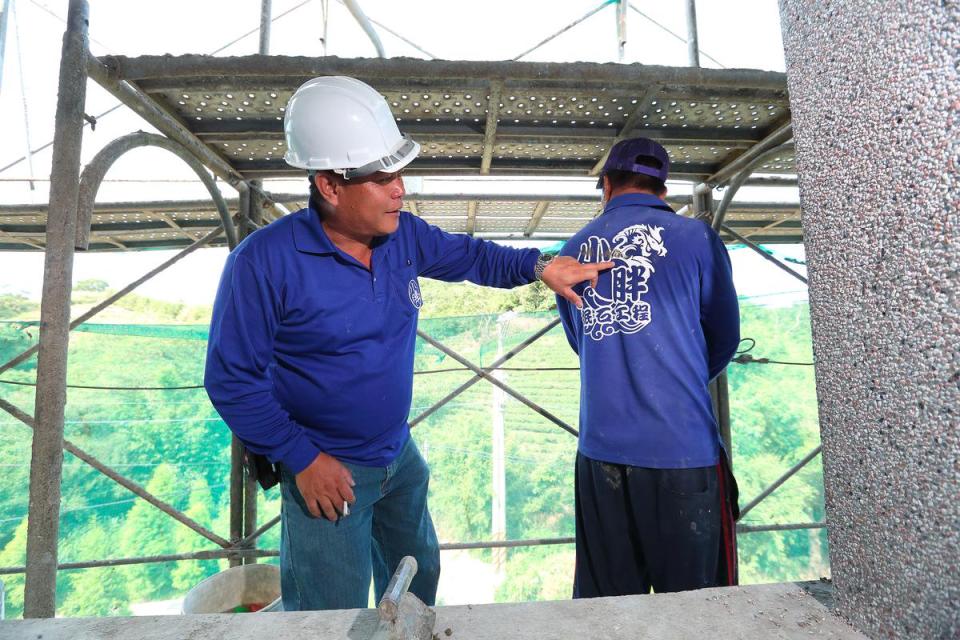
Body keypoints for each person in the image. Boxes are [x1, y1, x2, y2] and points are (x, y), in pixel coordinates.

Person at [203, 76, 611, 612]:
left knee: (417, 586)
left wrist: (539, 266)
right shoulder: (263, 262)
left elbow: (472, 257)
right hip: (328, 469)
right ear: (329, 185)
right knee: (329, 614)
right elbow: (232, 381)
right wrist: (301, 459)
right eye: (381, 177)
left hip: (398, 453)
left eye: (400, 173)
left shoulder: (404, 237)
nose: (400, 189)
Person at [555, 137, 741, 598]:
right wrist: (681, 376)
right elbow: (724, 337)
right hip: (682, 452)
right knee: (698, 609)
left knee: (609, 611)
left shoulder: (572, 251)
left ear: (606, 185)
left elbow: (581, 342)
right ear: (663, 188)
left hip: (601, 454)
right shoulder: (697, 238)